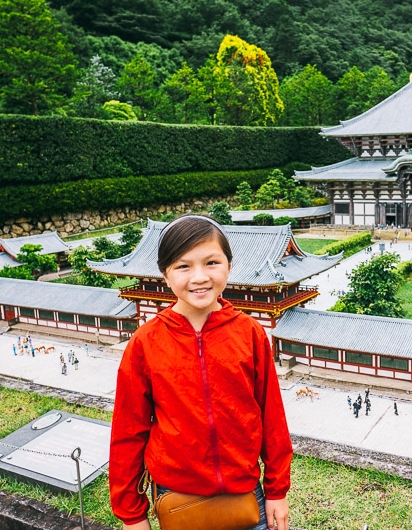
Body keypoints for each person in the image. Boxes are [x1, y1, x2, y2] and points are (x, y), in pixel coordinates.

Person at [109, 215, 292, 530]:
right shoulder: (145, 343)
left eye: (211, 262)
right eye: (183, 266)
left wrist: (277, 490)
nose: (199, 277)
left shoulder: (250, 333)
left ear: (229, 266)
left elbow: (271, 417)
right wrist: (132, 515)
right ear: (165, 274)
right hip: (178, 498)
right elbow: (128, 432)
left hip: (247, 495)